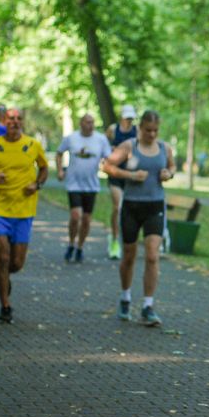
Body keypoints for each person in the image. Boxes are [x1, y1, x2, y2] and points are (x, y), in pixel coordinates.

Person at [103, 110, 174, 326]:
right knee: (129, 256)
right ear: (140, 128)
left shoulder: (164, 148)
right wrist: (130, 175)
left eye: (155, 131)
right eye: (148, 130)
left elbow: (171, 166)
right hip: (132, 207)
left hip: (155, 206)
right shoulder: (129, 147)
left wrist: (168, 174)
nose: (151, 134)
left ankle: (148, 306)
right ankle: (125, 298)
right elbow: (107, 165)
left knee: (152, 256)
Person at [0, 107, 48, 324]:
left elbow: (44, 168)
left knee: (16, 263)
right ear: (3, 121)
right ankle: (5, 305)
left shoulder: (32, 145)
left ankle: (3, 277)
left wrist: (36, 184)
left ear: (23, 122)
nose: (15, 122)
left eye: (19, 119)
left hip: (24, 210)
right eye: (11, 119)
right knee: (3, 254)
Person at [55, 113, 111, 263]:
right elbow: (59, 153)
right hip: (73, 184)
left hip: (91, 185)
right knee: (75, 216)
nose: (90, 125)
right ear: (81, 123)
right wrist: (60, 170)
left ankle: (80, 247)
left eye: (92, 122)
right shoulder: (71, 138)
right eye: (87, 122)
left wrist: (107, 167)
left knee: (86, 219)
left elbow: (108, 158)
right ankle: (71, 243)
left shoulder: (101, 139)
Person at [104, 105, 138, 260]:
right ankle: (114, 240)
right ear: (121, 117)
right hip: (114, 173)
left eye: (131, 118)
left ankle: (128, 241)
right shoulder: (113, 129)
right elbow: (103, 146)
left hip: (130, 174)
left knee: (130, 210)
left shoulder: (136, 131)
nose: (128, 121)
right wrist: (111, 150)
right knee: (117, 207)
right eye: (126, 118)